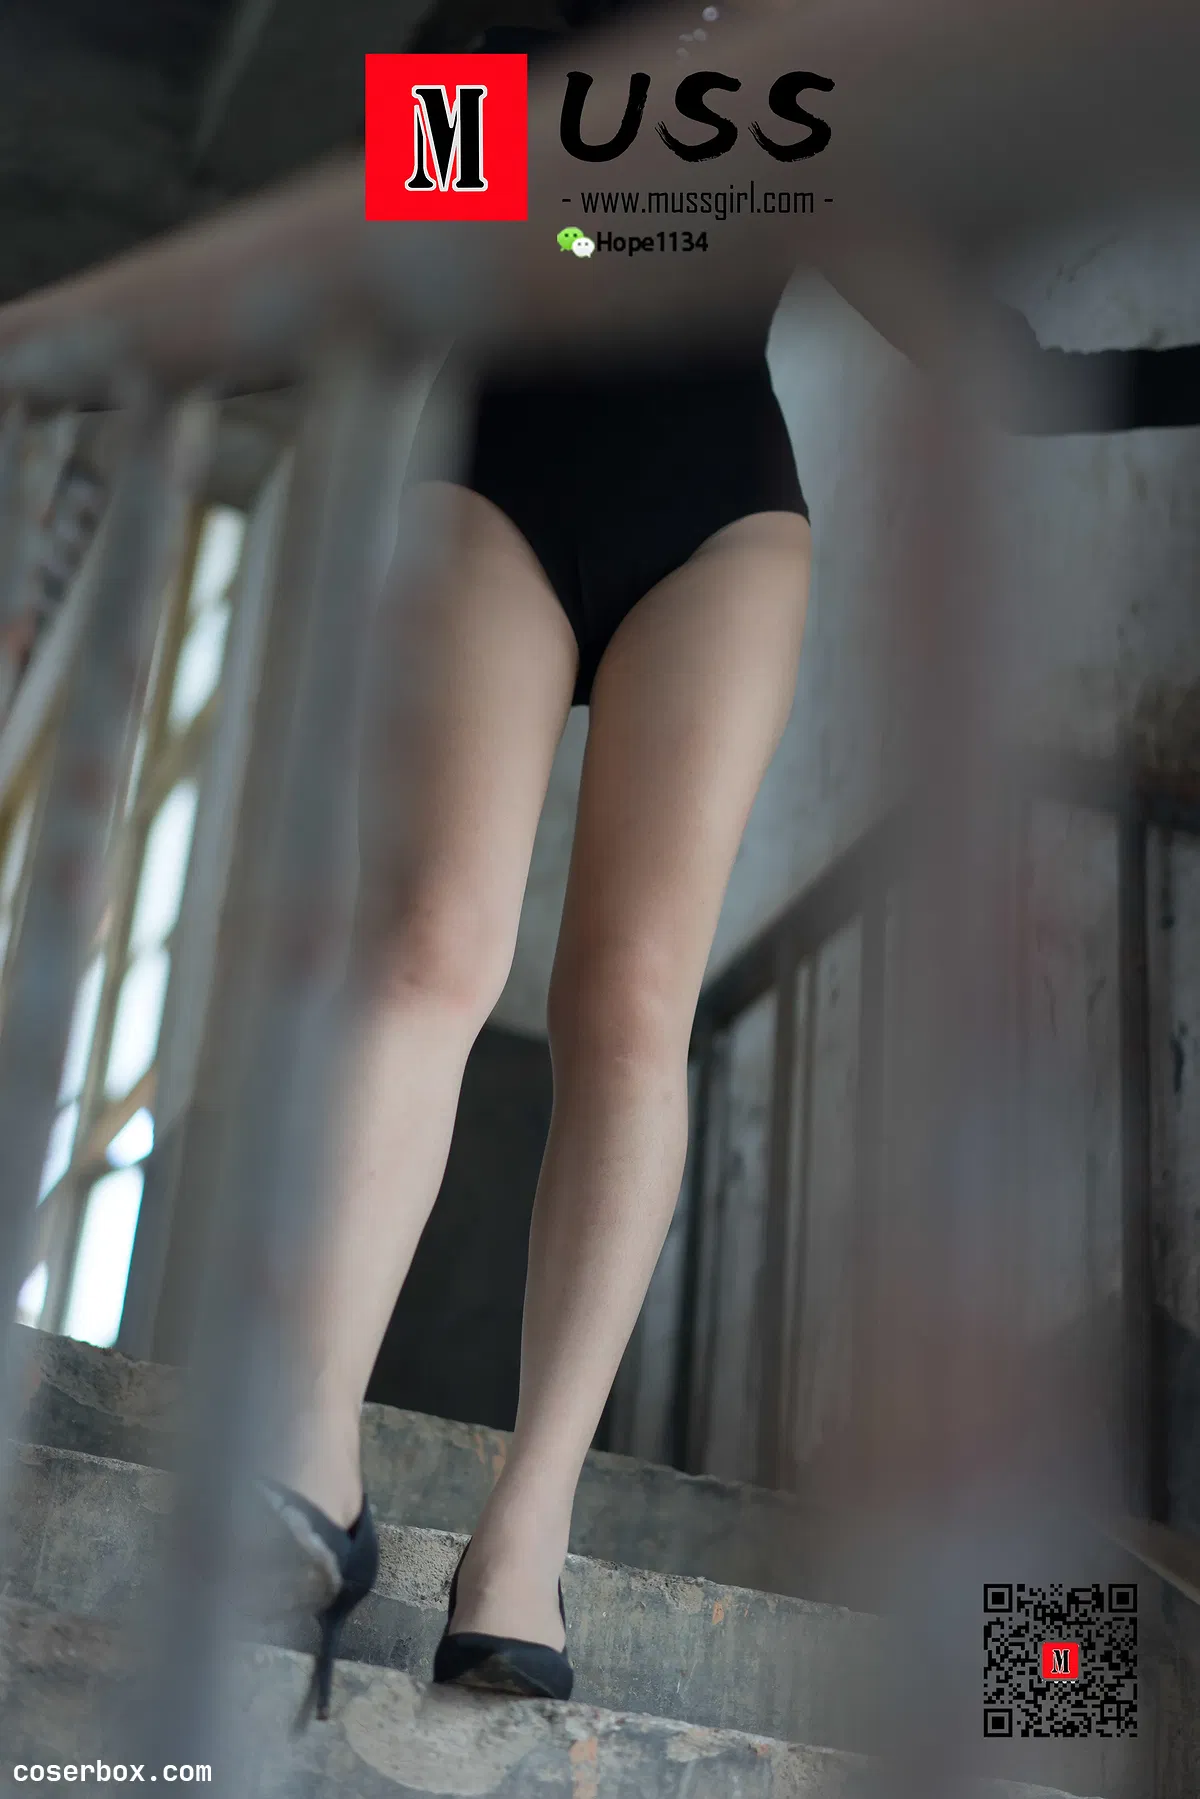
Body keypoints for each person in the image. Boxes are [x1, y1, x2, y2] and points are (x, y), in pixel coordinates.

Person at [256, 0, 813, 1723]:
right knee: (434, 936)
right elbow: (434, 225)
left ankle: (529, 1530)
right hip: (502, 462)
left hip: (725, 516)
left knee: (633, 1000)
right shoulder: (499, 17)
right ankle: (307, 1454)